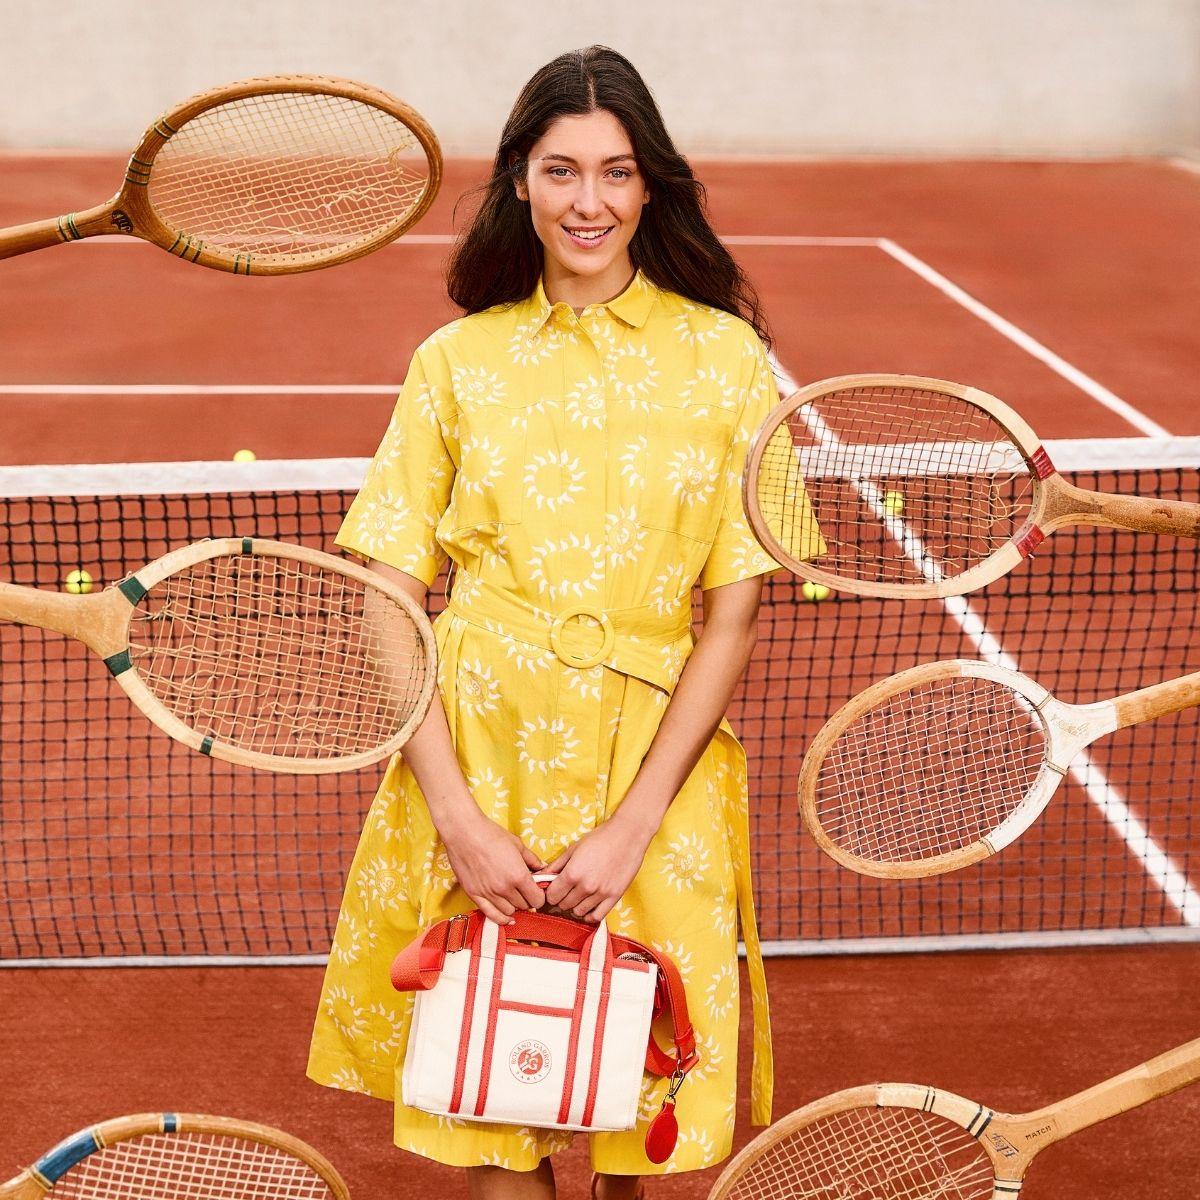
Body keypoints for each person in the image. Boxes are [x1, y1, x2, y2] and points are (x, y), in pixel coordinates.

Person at [308, 43, 807, 1200]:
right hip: (482, 766)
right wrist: (457, 817)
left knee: (628, 1120)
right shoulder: (455, 363)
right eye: (562, 170)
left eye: (618, 173)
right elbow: (389, 591)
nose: (590, 201)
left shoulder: (731, 362)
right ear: (519, 184)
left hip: (655, 776)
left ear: (652, 187)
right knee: (497, 1116)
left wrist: (635, 823)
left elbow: (731, 619)